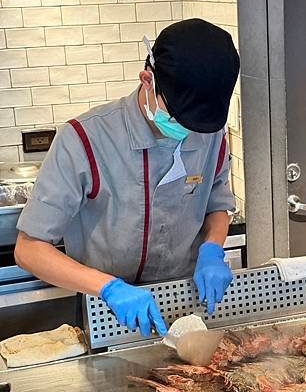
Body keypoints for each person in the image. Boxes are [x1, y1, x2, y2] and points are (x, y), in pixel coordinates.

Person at [15, 18, 240, 338]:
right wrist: (108, 288)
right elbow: (29, 248)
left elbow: (216, 201)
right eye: (179, 119)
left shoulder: (211, 134)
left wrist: (212, 249)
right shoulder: (84, 139)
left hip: (186, 309)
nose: (190, 133)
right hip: (107, 311)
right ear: (147, 81)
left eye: (198, 125)